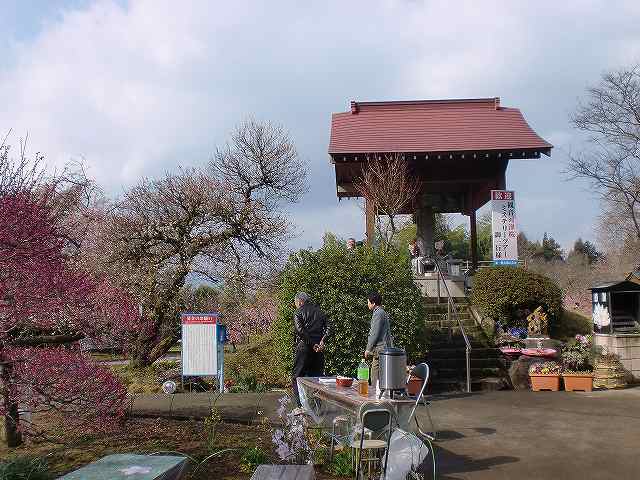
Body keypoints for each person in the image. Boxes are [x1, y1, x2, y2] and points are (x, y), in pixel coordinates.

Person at [291, 292, 330, 414]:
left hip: (305, 348)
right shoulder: (319, 311)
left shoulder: (298, 312)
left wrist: (312, 344)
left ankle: (301, 406)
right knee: (317, 377)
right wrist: (322, 341)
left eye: (296, 302)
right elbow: (329, 327)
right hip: (318, 349)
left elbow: (300, 331)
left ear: (300, 301)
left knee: (296, 376)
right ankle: (318, 407)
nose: (296, 305)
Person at [364, 291, 393, 389]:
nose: (367, 304)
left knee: (375, 375)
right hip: (384, 349)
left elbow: (374, 333)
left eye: (368, 302)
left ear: (373, 303)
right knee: (381, 375)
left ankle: (375, 398)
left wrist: (368, 349)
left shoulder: (378, 313)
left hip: (380, 350)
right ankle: (379, 396)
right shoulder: (381, 312)